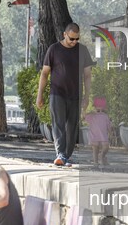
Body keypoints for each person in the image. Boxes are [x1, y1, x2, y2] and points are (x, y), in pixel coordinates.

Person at [36, 23, 94, 167]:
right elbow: (44, 74)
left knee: (72, 127)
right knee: (58, 125)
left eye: (77, 39)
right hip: (57, 93)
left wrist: (87, 97)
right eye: (71, 39)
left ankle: (66, 155)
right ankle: (60, 154)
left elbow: (87, 76)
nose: (74, 42)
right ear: (64, 34)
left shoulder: (83, 51)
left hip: (75, 94)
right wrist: (40, 95)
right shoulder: (53, 49)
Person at [84, 97, 112, 169]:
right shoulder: (93, 115)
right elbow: (84, 117)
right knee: (97, 148)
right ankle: (97, 161)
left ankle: (100, 156)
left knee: (102, 148)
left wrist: (110, 132)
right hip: (97, 135)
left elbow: (108, 126)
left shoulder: (105, 116)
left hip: (99, 135)